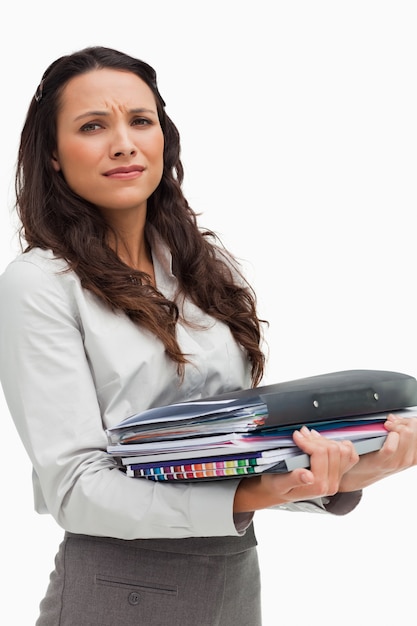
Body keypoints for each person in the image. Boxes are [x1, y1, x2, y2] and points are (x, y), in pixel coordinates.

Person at [1, 46, 417, 626]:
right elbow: (74, 487)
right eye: (93, 126)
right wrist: (252, 497)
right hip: (120, 590)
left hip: (231, 579)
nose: (123, 142)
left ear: (163, 138)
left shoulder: (199, 268)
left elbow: (230, 452)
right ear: (51, 155)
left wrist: (342, 477)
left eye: (140, 121)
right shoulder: (40, 285)